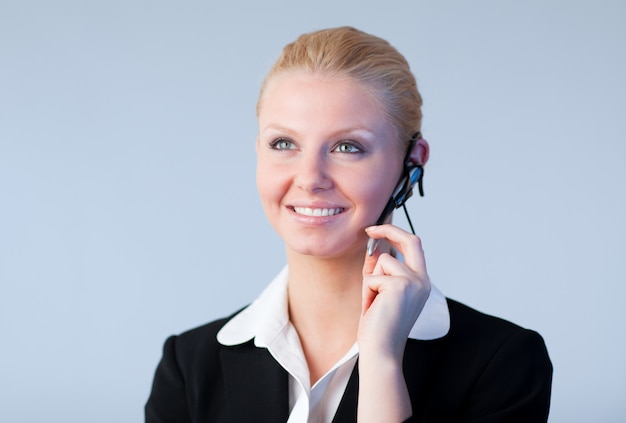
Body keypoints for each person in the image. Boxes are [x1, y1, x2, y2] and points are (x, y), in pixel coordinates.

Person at [145, 26, 552, 422]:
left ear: (413, 161)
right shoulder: (188, 366)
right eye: (283, 143)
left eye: (347, 147)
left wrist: (381, 364)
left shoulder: (503, 363)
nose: (309, 177)